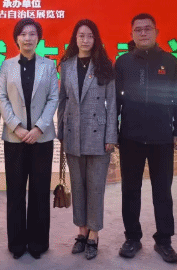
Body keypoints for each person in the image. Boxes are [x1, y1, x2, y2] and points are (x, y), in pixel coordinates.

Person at [115, 13, 177, 264]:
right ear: (132, 34)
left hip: (161, 139)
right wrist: (113, 132)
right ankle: (132, 238)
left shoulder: (170, 61)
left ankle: (164, 241)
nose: (143, 33)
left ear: (156, 32)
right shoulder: (123, 62)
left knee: (162, 193)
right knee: (130, 191)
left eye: (147, 29)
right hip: (130, 138)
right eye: (138, 29)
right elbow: (115, 100)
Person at [0, 18, 59, 260]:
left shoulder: (49, 65)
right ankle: (17, 243)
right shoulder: (7, 65)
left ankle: (38, 243)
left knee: (40, 192)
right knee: (15, 193)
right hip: (15, 139)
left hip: (42, 139)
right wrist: (17, 127)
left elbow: (53, 98)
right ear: (16, 38)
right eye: (23, 34)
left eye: (32, 34)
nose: (28, 38)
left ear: (38, 38)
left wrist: (39, 128)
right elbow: (1, 98)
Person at [57, 19, 118, 260]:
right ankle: (81, 232)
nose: (85, 40)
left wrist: (111, 135)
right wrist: (61, 131)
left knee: (96, 187)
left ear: (96, 39)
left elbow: (112, 103)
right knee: (78, 185)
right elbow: (63, 99)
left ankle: (94, 234)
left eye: (90, 36)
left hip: (98, 135)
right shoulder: (67, 65)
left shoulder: (104, 65)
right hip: (73, 134)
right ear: (75, 38)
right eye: (81, 35)